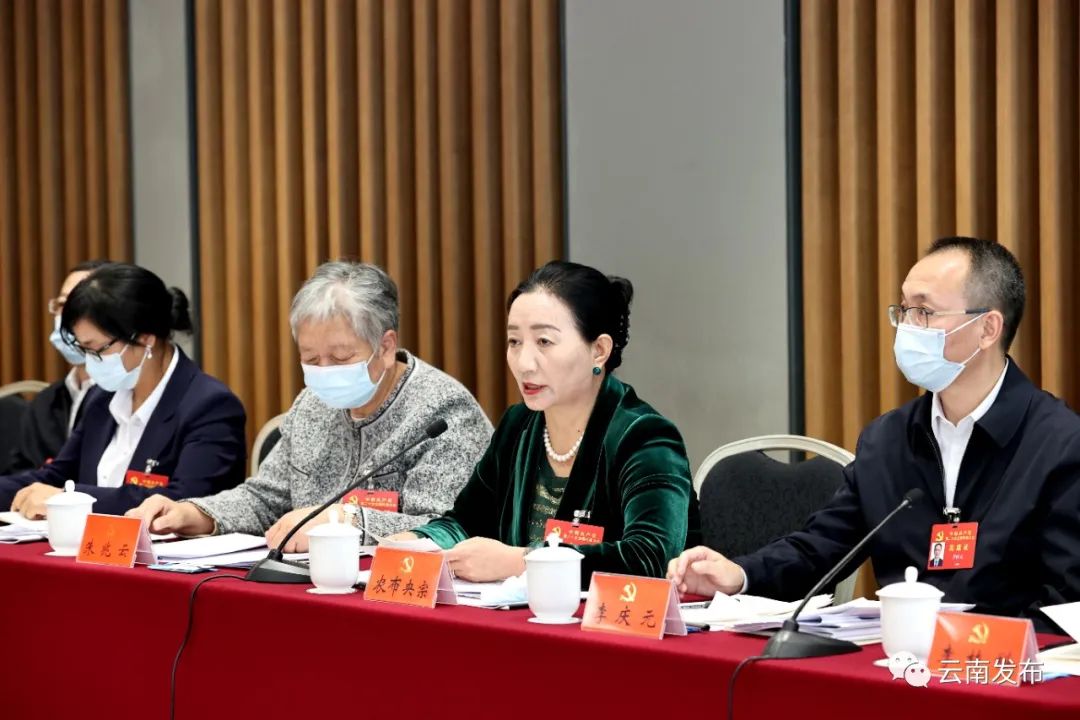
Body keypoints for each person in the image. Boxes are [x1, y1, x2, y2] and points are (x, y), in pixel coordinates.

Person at [669, 237, 1080, 630]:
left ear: (988, 329)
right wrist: (739, 574)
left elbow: (1067, 601)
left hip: (1007, 667)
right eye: (903, 310)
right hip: (898, 662)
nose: (907, 327)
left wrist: (974, 646)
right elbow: (821, 548)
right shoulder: (888, 440)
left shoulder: (1060, 443)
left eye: (925, 312)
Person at [128, 261, 492, 551]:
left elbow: (447, 528)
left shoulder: (443, 411)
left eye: (341, 357)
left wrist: (343, 520)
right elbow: (265, 498)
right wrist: (195, 512)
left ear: (385, 346)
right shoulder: (312, 405)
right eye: (311, 359)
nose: (325, 371)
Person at [395, 260, 700, 583]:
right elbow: (465, 523)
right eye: (515, 342)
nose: (524, 363)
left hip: (619, 614)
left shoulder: (644, 437)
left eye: (544, 342)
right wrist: (414, 542)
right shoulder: (518, 426)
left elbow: (650, 557)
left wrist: (522, 562)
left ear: (599, 350)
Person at [0, 263, 248, 517]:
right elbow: (57, 476)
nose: (89, 361)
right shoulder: (101, 398)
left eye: (96, 349)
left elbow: (185, 500)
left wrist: (70, 500)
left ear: (145, 339)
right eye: (83, 349)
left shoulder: (210, 405)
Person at [1, 260, 110, 474]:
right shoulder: (45, 403)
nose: (66, 315)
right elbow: (19, 474)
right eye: (61, 305)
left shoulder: (128, 399)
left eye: (77, 304)